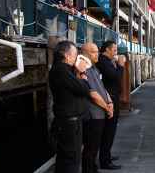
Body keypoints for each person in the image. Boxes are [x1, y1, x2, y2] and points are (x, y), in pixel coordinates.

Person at [49, 40, 91, 173]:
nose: (75, 58)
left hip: (70, 122)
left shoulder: (65, 70)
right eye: (74, 55)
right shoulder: (61, 70)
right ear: (67, 56)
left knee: (67, 159)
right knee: (71, 160)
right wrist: (83, 74)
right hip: (68, 124)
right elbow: (84, 89)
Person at [81, 43, 114, 173]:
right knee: (90, 148)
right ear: (87, 53)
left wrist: (110, 102)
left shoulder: (94, 68)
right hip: (92, 114)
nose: (97, 54)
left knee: (95, 147)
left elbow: (102, 87)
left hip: (100, 113)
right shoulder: (84, 69)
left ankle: (93, 169)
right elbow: (92, 94)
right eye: (94, 52)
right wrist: (107, 107)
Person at [96, 40, 125, 170]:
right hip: (109, 100)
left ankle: (106, 155)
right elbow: (116, 77)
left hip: (112, 98)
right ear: (107, 49)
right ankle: (105, 161)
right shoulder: (103, 61)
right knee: (109, 131)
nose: (116, 52)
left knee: (110, 131)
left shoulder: (106, 61)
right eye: (114, 49)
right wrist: (120, 65)